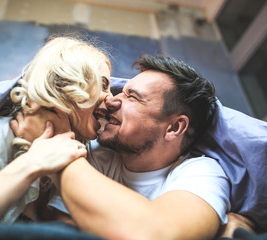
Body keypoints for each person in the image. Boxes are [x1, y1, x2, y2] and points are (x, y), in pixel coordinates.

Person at [13, 54, 231, 239]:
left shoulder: (203, 175)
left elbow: (156, 234)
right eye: (122, 92)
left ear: (174, 127)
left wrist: (58, 148)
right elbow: (62, 229)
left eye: (132, 97)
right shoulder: (99, 155)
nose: (112, 101)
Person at [0, 36, 112, 224]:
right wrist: (32, 162)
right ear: (72, 81)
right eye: (103, 85)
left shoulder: (84, 155)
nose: (111, 99)